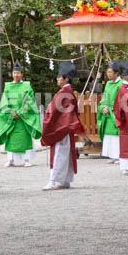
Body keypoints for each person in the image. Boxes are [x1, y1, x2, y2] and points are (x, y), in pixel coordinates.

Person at [40, 61, 85, 191]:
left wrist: (48, 117)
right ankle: (65, 181)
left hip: (61, 128)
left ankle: (53, 181)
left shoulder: (64, 93)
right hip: (66, 128)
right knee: (65, 154)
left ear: (66, 78)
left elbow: (54, 112)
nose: (57, 79)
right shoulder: (67, 92)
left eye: (60, 77)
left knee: (59, 154)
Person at [0, 62, 42, 167]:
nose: (16, 75)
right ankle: (10, 159)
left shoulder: (26, 86)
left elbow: (30, 102)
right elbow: (4, 102)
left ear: (21, 74)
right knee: (11, 137)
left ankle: (27, 159)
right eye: (14, 73)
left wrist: (20, 113)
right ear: (12, 74)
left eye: (18, 73)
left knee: (24, 137)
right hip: (11, 117)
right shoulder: (8, 86)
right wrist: (11, 113)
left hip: (23, 117)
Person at [97, 59, 125, 163]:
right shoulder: (108, 84)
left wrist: (112, 108)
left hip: (115, 112)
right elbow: (105, 97)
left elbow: (121, 99)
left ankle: (119, 155)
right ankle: (112, 155)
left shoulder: (121, 84)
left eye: (110, 72)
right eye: (108, 72)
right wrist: (103, 107)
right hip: (108, 112)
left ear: (116, 73)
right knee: (109, 134)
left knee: (116, 134)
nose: (108, 74)